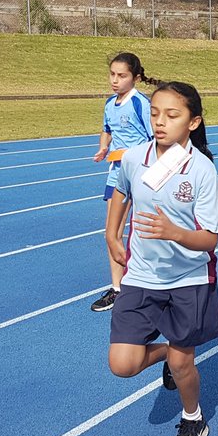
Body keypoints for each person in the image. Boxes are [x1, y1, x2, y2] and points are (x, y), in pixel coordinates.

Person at [106, 82, 218, 436]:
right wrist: (111, 234)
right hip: (142, 277)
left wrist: (174, 233)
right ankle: (166, 355)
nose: (160, 122)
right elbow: (121, 191)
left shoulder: (202, 169)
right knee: (122, 365)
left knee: (183, 361)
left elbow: (210, 240)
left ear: (193, 122)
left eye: (171, 115)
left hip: (188, 279)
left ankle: (194, 418)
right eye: (155, 113)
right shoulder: (134, 157)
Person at [91, 52, 156, 312]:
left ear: (136, 78)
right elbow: (107, 129)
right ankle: (118, 288)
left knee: (145, 230)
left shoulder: (141, 103)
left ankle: (149, 282)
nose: (115, 80)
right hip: (116, 174)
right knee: (112, 233)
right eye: (112, 74)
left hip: (141, 173)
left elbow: (156, 138)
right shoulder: (109, 103)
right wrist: (103, 148)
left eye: (122, 75)